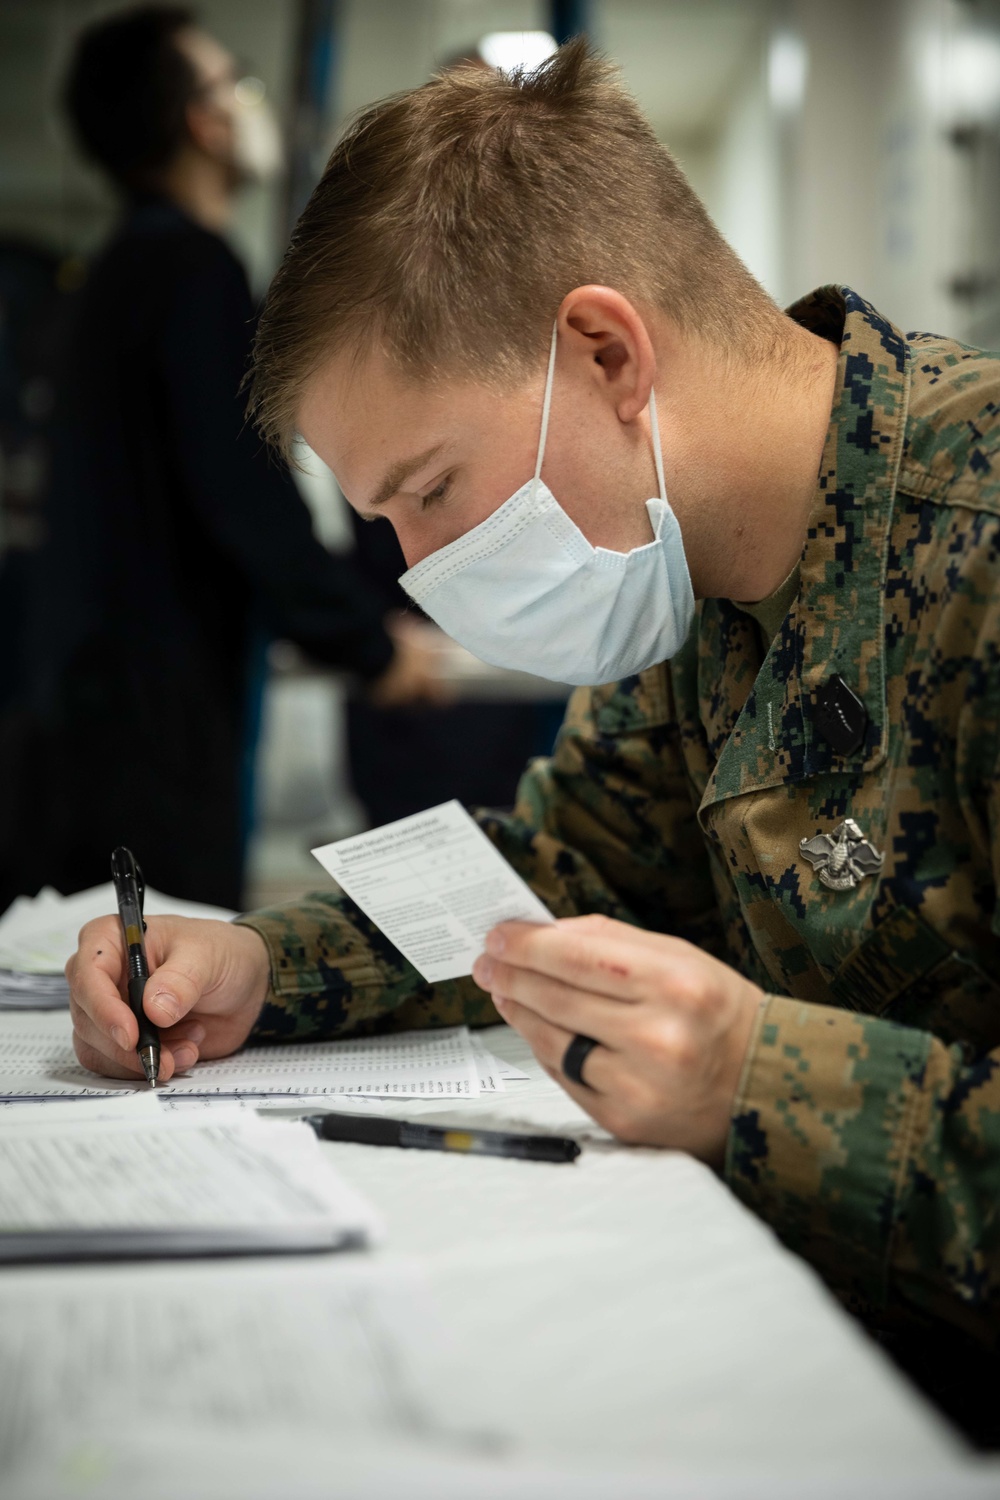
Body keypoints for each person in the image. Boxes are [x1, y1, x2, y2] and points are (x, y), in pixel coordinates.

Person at [67, 43, 1000, 1437]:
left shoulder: (975, 550)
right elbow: (563, 869)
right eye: (385, 522)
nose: (420, 565)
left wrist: (765, 1081)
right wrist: (271, 961)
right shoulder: (688, 569)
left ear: (610, 355)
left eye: (434, 490)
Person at [24, 5, 439, 910]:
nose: (249, 109)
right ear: (201, 123)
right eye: (235, 86)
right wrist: (369, 647)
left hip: (92, 710)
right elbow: (245, 498)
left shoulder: (112, 279)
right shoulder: (192, 273)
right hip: (153, 726)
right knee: (163, 972)